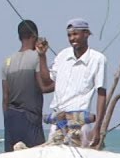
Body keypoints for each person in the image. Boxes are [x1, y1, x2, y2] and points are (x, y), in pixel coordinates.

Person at [42, 18, 107, 148]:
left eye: (76, 34)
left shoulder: (97, 59)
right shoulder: (62, 56)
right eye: (70, 35)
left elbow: (101, 93)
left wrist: (98, 127)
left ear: (86, 34)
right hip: (58, 121)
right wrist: (41, 56)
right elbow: (46, 83)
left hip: (80, 121)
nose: (72, 38)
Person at [1, 19, 53, 151]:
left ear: (19, 37)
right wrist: (62, 85)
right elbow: (44, 87)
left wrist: (7, 121)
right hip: (30, 118)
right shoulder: (36, 57)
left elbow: (5, 98)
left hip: (11, 119)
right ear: (34, 36)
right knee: (35, 156)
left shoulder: (7, 61)